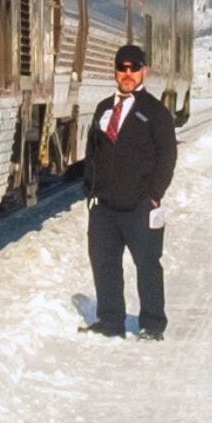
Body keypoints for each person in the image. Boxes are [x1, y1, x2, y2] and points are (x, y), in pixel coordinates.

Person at [81, 41, 178, 340]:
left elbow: (168, 155)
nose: (127, 73)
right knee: (104, 263)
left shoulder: (155, 112)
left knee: (147, 264)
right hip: (105, 206)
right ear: (115, 71)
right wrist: (91, 190)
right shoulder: (103, 109)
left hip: (139, 205)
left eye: (134, 68)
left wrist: (153, 195)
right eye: (122, 68)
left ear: (143, 71)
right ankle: (110, 321)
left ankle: (152, 324)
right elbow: (93, 151)